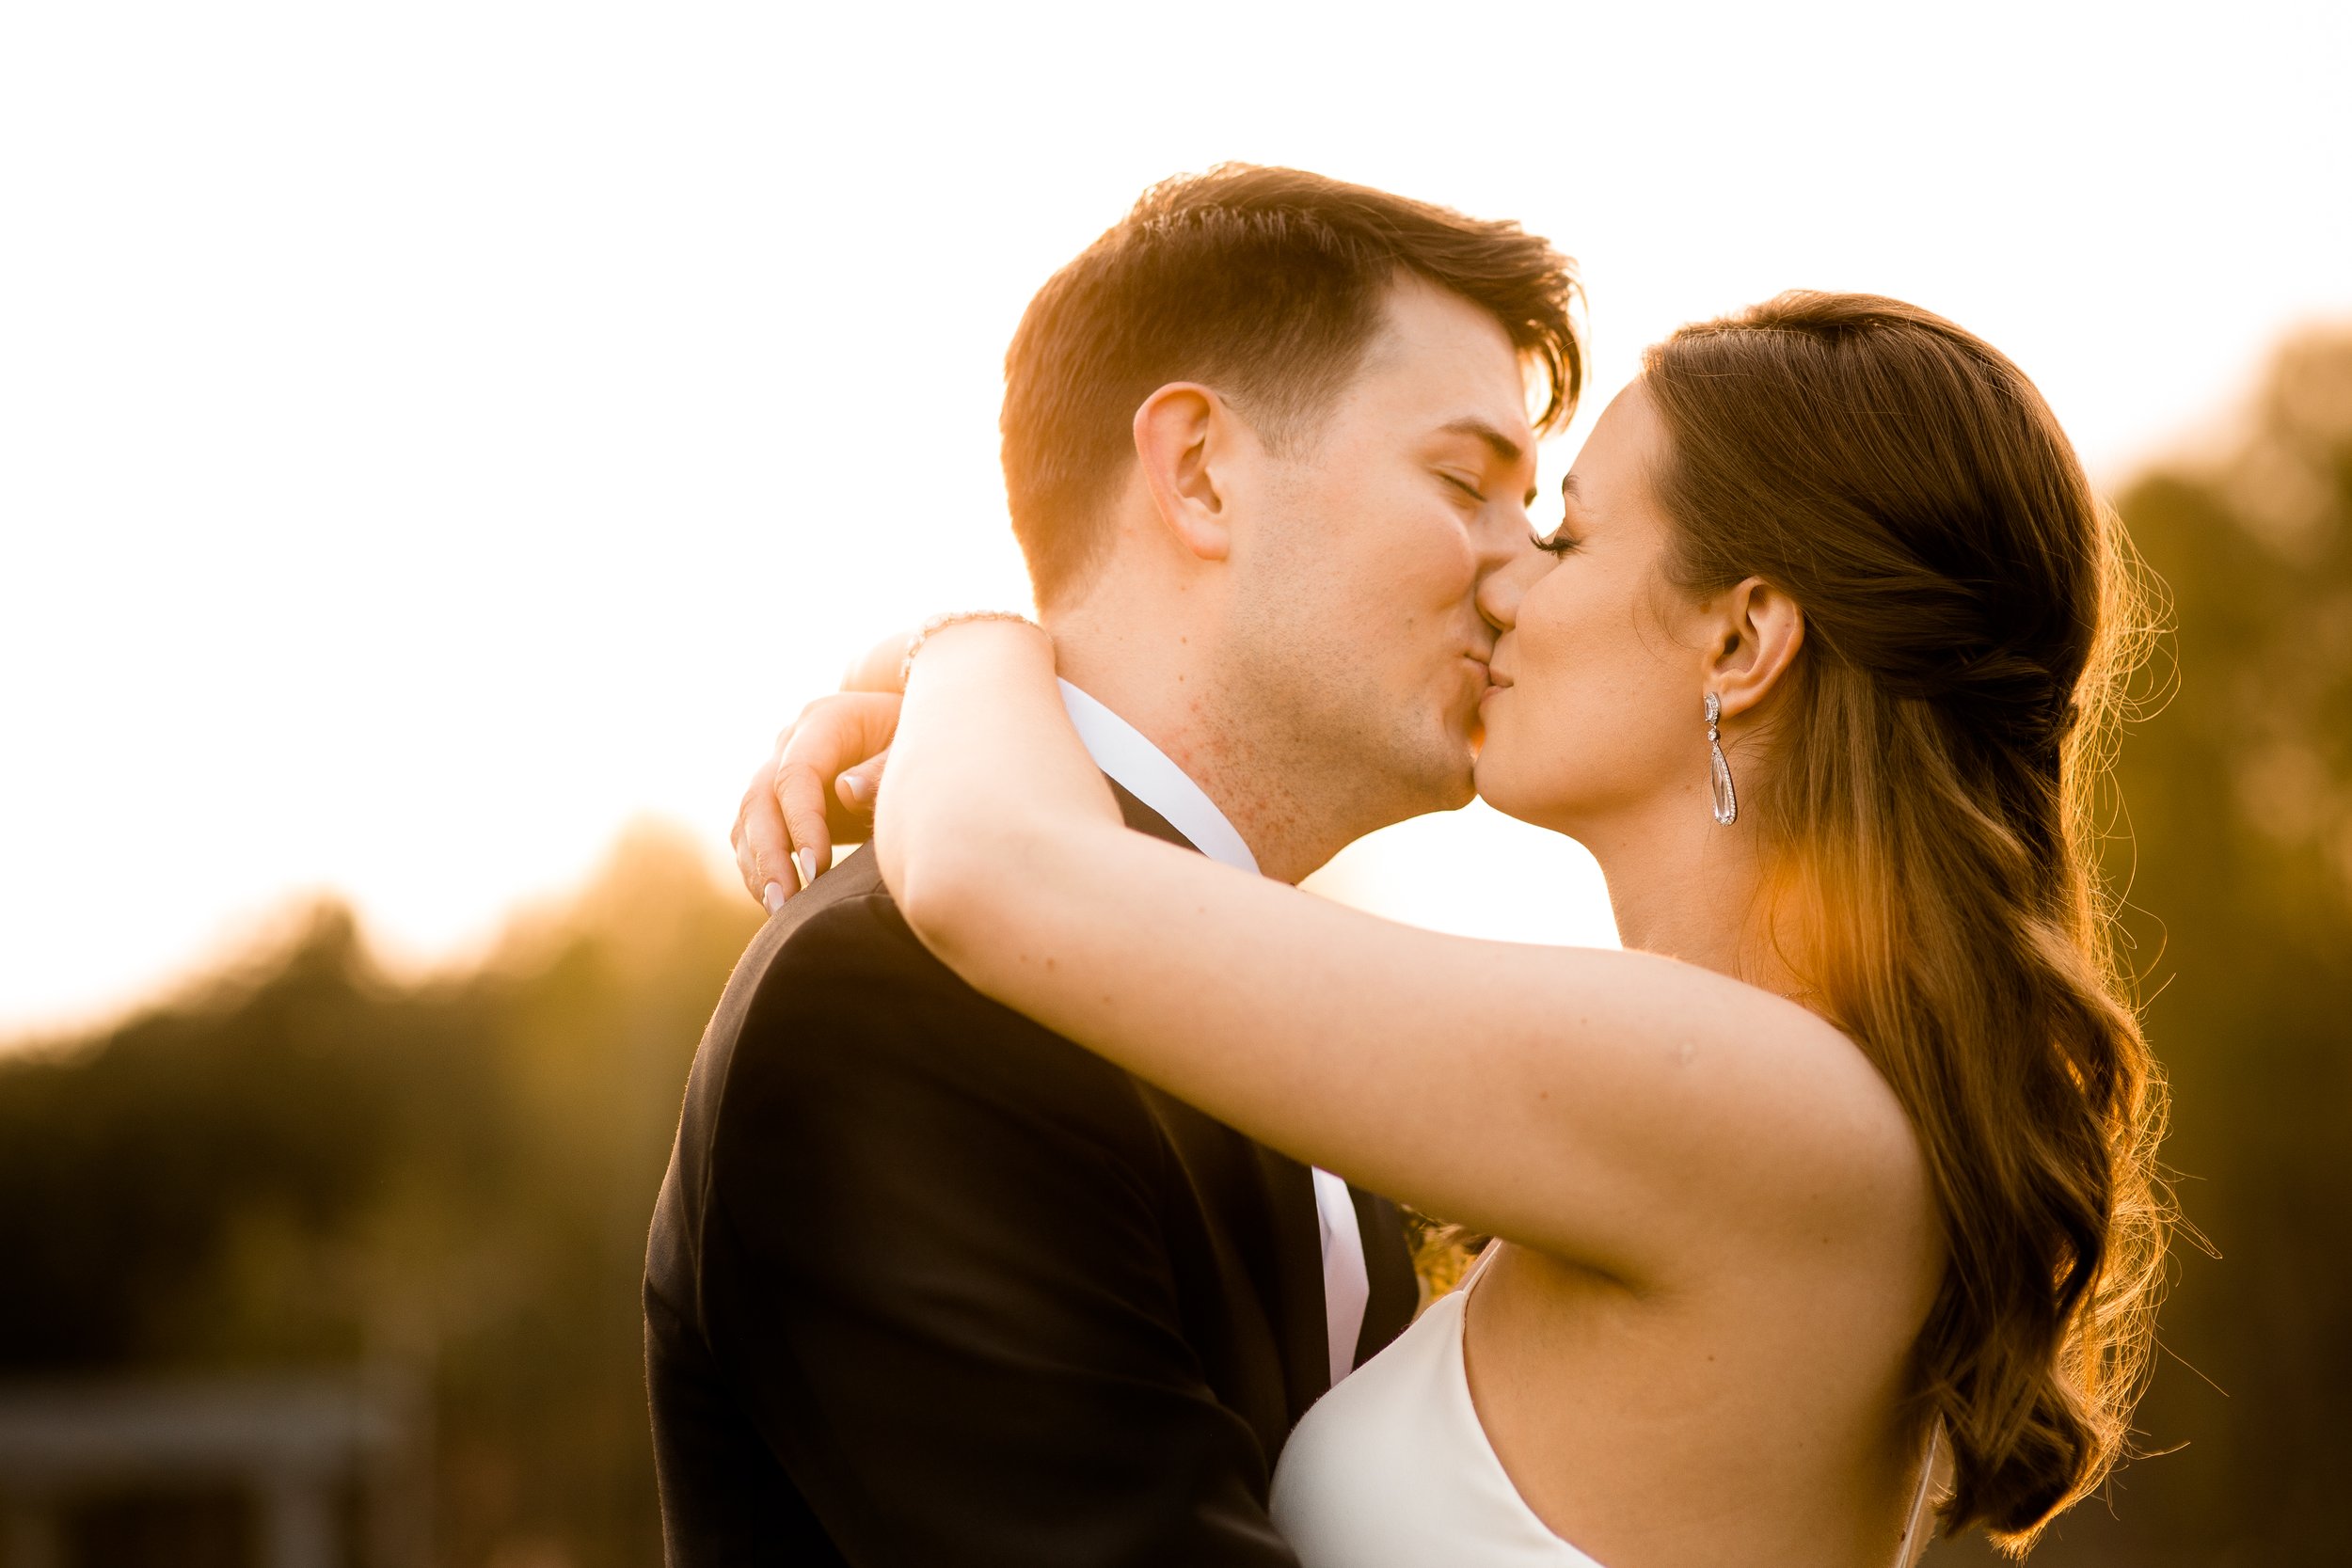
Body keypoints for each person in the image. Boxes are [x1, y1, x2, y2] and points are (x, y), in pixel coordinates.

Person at [749, 293, 2171, 1566]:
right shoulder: (1766, 1117)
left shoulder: (1758, 1106)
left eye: (1566, 535)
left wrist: (962, 651)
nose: (1503, 582)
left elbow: (1001, 873)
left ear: (1741, 644)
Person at [644, 164, 1583, 1565]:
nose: (1523, 578)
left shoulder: (1287, 1036)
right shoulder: (897, 1007)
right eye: (1466, 484)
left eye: (1540, 514)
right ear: (1199, 471)